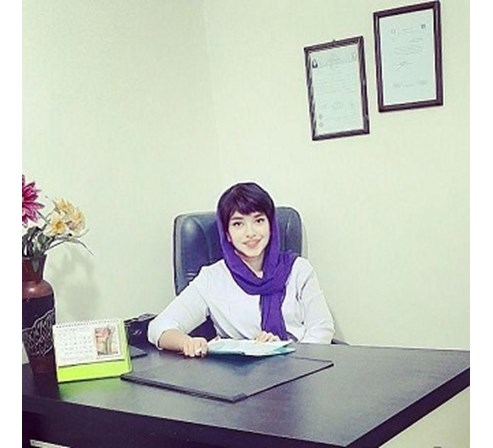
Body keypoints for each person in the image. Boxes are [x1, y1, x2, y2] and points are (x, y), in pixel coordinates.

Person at [148, 182, 335, 357]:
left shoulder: (299, 270)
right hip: (241, 374)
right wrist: (187, 343)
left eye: (259, 220)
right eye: (238, 224)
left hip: (300, 367)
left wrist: (285, 351)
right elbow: (158, 327)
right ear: (227, 234)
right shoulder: (212, 279)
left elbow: (322, 327)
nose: (250, 233)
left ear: (271, 226)